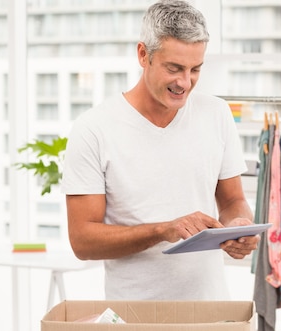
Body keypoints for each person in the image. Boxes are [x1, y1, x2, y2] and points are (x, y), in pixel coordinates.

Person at [61, 0, 258, 301]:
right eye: (174, 68)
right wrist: (163, 230)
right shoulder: (94, 129)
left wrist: (237, 228)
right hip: (134, 318)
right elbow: (82, 241)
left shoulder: (217, 113)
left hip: (211, 311)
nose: (185, 82)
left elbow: (233, 200)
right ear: (144, 55)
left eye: (195, 69)